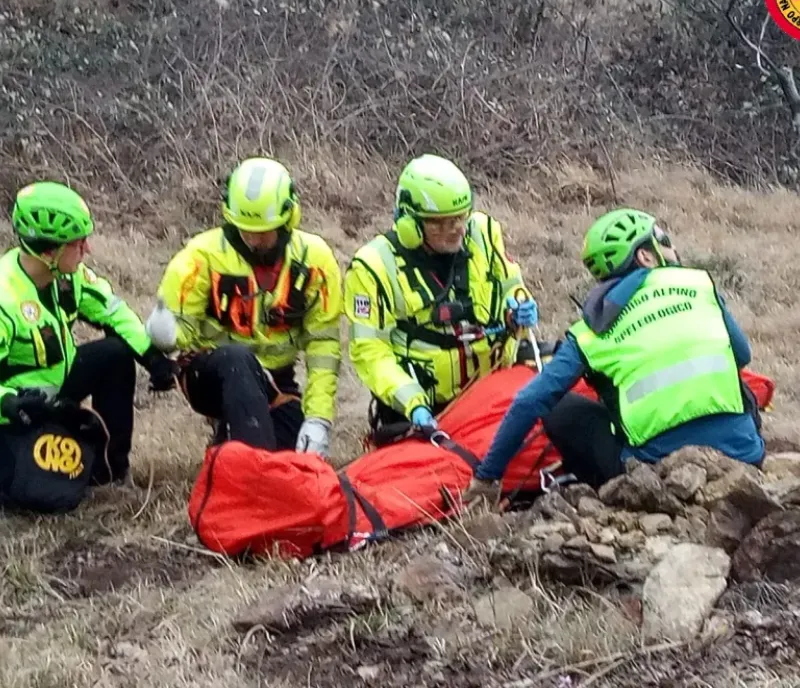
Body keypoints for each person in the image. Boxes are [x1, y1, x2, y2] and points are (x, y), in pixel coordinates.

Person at [464, 207, 765, 503]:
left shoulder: (590, 330)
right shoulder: (700, 284)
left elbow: (530, 401)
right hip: (743, 456)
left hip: (650, 474)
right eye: (662, 240)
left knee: (560, 409)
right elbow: (741, 354)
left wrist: (488, 475)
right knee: (739, 385)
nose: (671, 247)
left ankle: (603, 493)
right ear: (644, 256)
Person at [147, 156, 343, 458]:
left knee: (292, 456)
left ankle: (237, 445)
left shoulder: (315, 261)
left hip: (275, 382)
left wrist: (318, 419)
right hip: (210, 374)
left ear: (289, 219)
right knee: (238, 360)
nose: (253, 240)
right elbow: (183, 331)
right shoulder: (201, 257)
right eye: (245, 230)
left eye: (263, 231)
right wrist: (167, 334)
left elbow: (323, 347)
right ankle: (249, 466)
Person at [0, 181, 177, 513]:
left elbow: (113, 312)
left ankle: (110, 475)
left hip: (57, 386)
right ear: (48, 251)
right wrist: (8, 404)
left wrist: (153, 358)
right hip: (15, 412)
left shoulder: (70, 276)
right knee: (41, 499)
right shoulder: (4, 299)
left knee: (114, 355)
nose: (87, 251)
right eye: (78, 244)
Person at [343, 153, 539, 445]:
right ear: (410, 224)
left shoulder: (483, 234)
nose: (457, 229)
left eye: (461, 217)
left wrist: (518, 305)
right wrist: (413, 402)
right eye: (442, 223)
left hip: (491, 388)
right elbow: (370, 351)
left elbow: (511, 283)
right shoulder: (373, 267)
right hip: (424, 407)